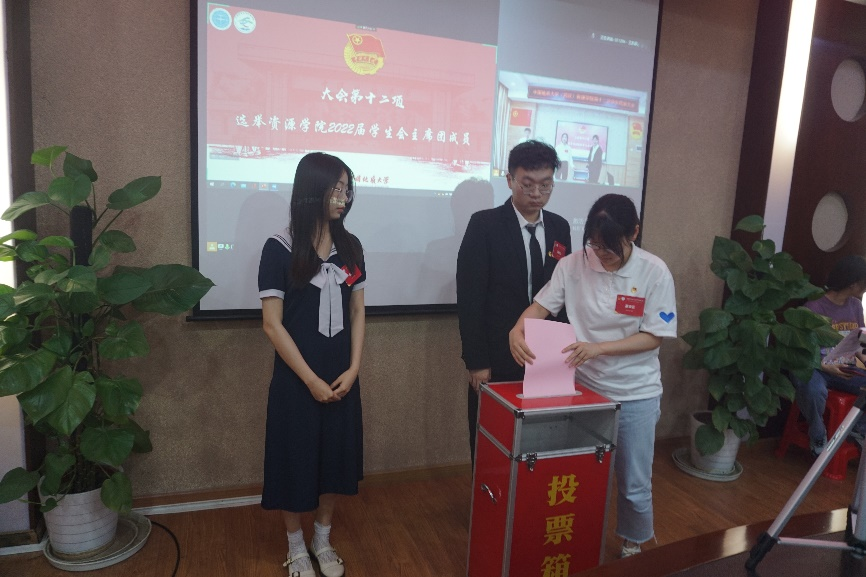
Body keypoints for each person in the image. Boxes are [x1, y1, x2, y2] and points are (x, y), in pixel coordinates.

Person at [508, 193, 677, 558]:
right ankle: (578, 537)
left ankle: (634, 542)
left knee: (634, 481)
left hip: (635, 392)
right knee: (579, 473)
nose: (601, 255)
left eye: (610, 248)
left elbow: (654, 336)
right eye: (595, 245)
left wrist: (599, 348)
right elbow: (541, 306)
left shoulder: (654, 272)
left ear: (633, 233)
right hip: (584, 391)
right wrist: (516, 330)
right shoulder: (573, 265)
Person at [258, 152, 365, 577]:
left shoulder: (351, 247)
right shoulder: (279, 248)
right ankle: (295, 546)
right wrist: (310, 380)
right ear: (311, 191)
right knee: (294, 459)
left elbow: (357, 311)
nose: (343, 197)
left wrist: (354, 368)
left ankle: (322, 537)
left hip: (341, 376)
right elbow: (272, 325)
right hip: (297, 379)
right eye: (335, 189)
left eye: (346, 189)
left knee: (334, 460)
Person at [457, 140, 573, 461]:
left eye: (545, 185)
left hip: (547, 355)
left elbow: (564, 292)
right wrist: (477, 361)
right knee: (493, 439)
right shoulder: (484, 225)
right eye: (527, 184)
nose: (537, 193)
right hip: (498, 355)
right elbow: (470, 298)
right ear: (510, 180)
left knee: (543, 440)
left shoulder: (560, 227)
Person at [792, 255, 866, 457]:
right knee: (813, 389)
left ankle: (858, 429)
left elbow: (858, 341)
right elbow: (802, 350)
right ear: (853, 284)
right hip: (815, 367)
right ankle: (817, 432)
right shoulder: (814, 308)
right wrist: (824, 366)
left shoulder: (855, 305)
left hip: (845, 369)